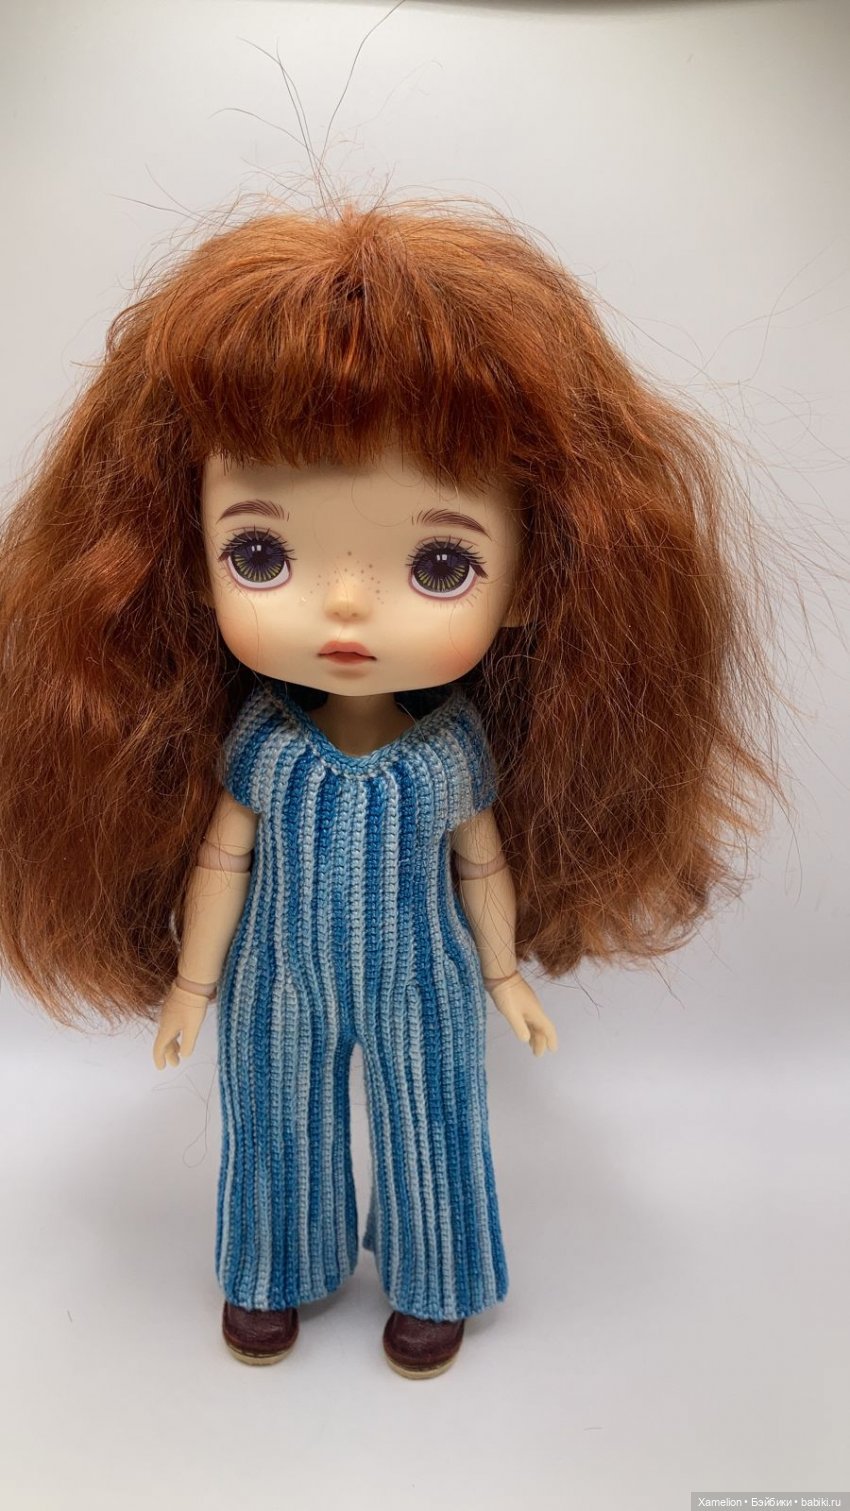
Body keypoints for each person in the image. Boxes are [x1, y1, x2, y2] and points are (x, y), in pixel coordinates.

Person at [0, 196, 783, 1378]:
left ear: (531, 578)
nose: (345, 605)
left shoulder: (449, 752)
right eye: (261, 552)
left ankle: (433, 1281)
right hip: (274, 969)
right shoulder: (262, 744)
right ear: (184, 556)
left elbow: (483, 859)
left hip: (424, 967)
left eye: (439, 561)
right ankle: (273, 1266)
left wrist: (503, 972)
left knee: (435, 1115)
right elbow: (222, 858)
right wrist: (192, 983)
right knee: (271, 1113)